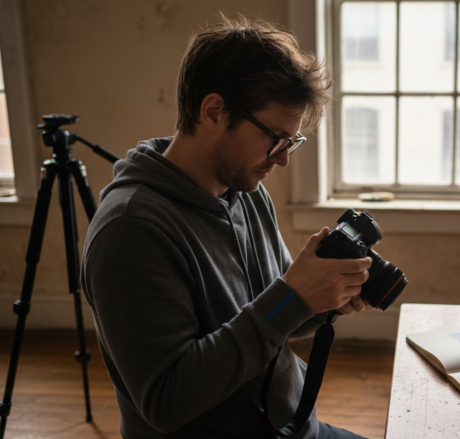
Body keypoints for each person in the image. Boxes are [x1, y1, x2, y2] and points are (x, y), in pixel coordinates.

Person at [81, 14, 371, 439]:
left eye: (292, 141)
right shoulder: (130, 230)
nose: (283, 158)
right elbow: (165, 401)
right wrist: (292, 298)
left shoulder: (248, 191)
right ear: (214, 111)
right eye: (275, 138)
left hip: (291, 427)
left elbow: (272, 320)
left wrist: (322, 299)